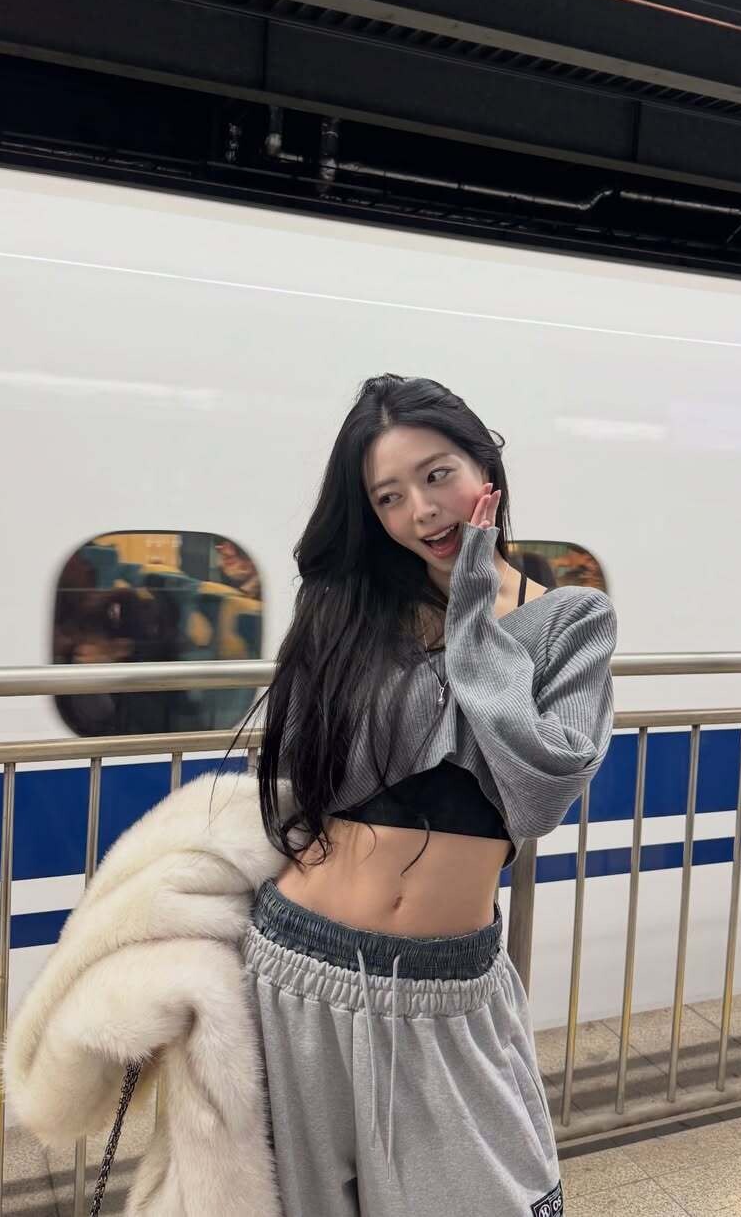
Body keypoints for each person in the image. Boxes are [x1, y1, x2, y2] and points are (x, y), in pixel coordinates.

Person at [243, 374, 616, 1215]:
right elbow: (321, 774)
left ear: (486, 466)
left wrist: (472, 614)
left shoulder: (572, 621)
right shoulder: (353, 614)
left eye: (437, 474)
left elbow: (543, 787)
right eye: (388, 497)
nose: (421, 510)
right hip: (296, 966)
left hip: (445, 989)